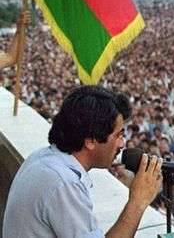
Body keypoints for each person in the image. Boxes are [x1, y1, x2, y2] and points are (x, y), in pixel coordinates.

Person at [3, 85, 163, 237]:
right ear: (90, 140)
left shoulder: (44, 159)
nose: (122, 144)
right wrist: (138, 202)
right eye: (118, 135)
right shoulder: (62, 183)